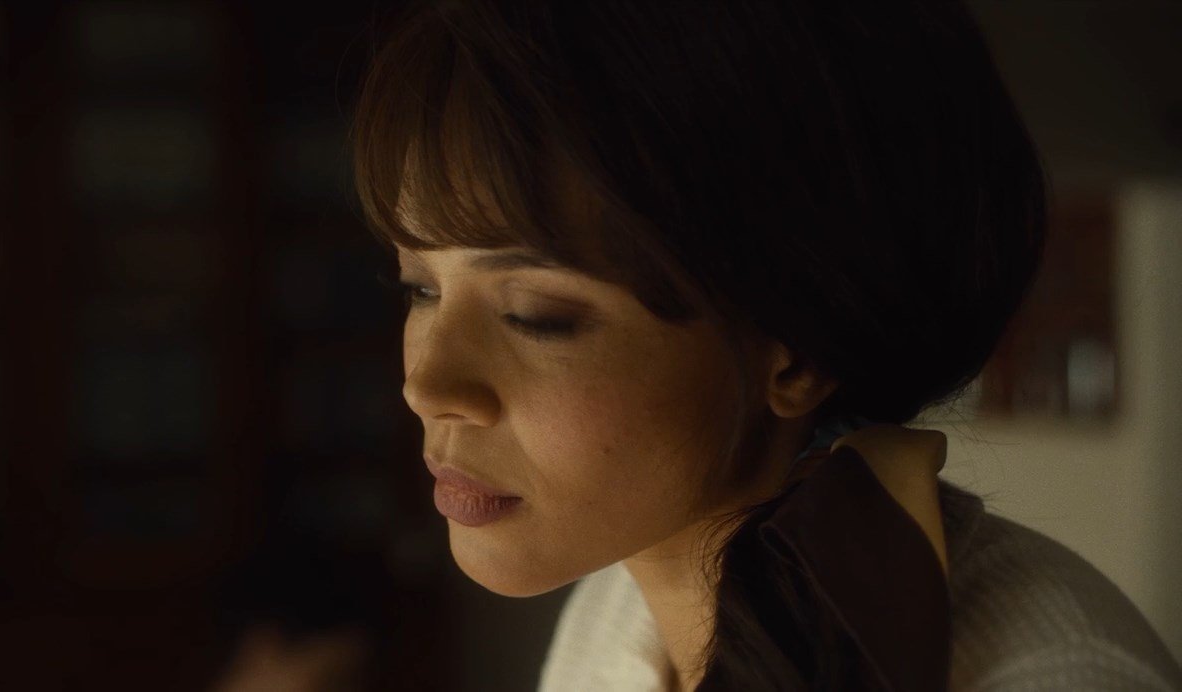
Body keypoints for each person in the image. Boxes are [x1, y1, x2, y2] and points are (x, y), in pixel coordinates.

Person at [349, 0, 1182, 689]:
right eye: (421, 287)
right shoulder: (618, 618)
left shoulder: (1054, 672)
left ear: (798, 351)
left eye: (536, 314)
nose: (428, 384)